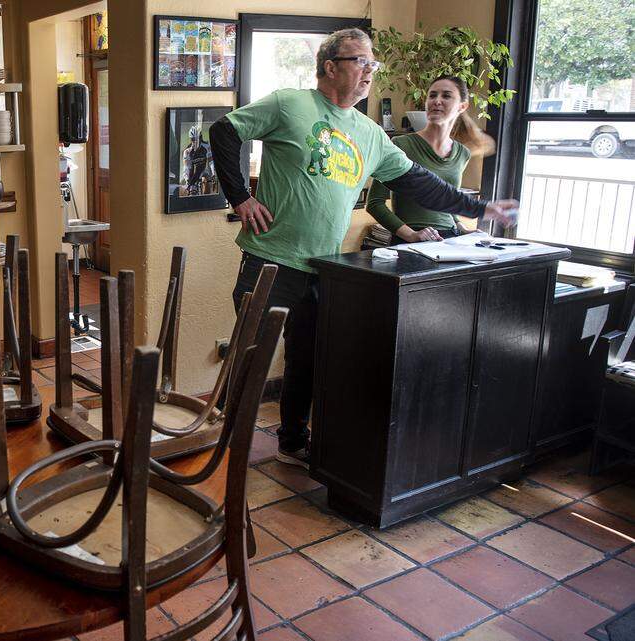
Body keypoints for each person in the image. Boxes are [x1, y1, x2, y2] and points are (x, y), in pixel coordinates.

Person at [208, 28, 517, 468]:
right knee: (252, 358)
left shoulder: (371, 134)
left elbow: (420, 183)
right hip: (269, 261)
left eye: (374, 64)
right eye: (361, 62)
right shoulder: (288, 104)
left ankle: (292, 442)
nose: (370, 71)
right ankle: (225, 450)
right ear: (330, 66)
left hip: (325, 267)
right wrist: (240, 197)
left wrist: (478, 206)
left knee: (307, 361)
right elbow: (224, 131)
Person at [367, 76, 498, 243]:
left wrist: (463, 229)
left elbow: (446, 201)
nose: (437, 101)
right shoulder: (401, 144)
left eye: (446, 96)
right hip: (410, 240)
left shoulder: (462, 153)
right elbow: (374, 203)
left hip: (449, 240)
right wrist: (410, 235)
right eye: (433, 95)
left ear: (462, 106)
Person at [180, 125, 216, 195]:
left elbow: (211, 162)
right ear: (191, 139)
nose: (195, 141)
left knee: (206, 180)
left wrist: (213, 174)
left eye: (197, 139)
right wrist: (187, 180)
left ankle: (207, 197)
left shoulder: (207, 147)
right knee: (192, 191)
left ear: (201, 138)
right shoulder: (187, 152)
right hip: (192, 173)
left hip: (203, 171)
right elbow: (186, 168)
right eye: (193, 139)